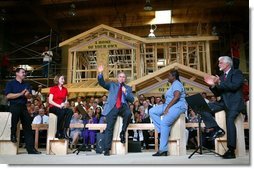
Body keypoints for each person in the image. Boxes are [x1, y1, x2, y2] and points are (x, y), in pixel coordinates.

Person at [203, 56, 245, 159]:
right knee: (203, 107)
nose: (218, 64)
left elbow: (234, 86)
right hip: (222, 102)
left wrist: (219, 83)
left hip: (234, 103)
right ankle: (216, 129)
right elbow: (218, 93)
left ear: (227, 64)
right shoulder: (221, 77)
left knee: (229, 120)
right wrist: (212, 85)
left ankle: (231, 150)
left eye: (220, 63)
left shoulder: (237, 73)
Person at [97, 65, 134, 156]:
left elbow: (132, 99)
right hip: (112, 107)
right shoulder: (112, 84)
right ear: (118, 78)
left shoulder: (128, 88)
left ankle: (122, 132)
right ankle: (106, 149)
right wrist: (100, 73)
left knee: (129, 113)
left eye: (123, 77)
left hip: (123, 106)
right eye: (120, 76)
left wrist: (125, 92)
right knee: (109, 128)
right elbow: (102, 83)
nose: (122, 78)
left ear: (125, 79)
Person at [149, 70, 187, 156]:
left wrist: (167, 107)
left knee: (165, 123)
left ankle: (163, 149)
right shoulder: (173, 85)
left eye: (169, 76)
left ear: (173, 77)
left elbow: (177, 97)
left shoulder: (177, 83)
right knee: (152, 111)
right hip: (168, 105)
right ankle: (163, 131)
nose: (167, 77)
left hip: (178, 106)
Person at [5, 68, 41, 154]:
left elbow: (28, 97)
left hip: (23, 106)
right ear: (17, 73)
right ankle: (13, 134)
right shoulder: (10, 83)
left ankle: (31, 149)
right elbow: (8, 96)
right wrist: (21, 94)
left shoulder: (27, 84)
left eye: (25, 72)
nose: (24, 74)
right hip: (14, 105)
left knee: (28, 126)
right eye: (23, 72)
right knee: (15, 115)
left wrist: (28, 95)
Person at [48, 75, 73, 139]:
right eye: (62, 79)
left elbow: (66, 100)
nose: (63, 80)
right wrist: (59, 106)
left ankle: (65, 129)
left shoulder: (65, 89)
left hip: (62, 107)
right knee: (61, 112)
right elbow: (50, 101)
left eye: (63, 79)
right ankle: (59, 131)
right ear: (57, 79)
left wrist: (65, 104)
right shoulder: (53, 88)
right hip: (53, 107)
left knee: (70, 111)